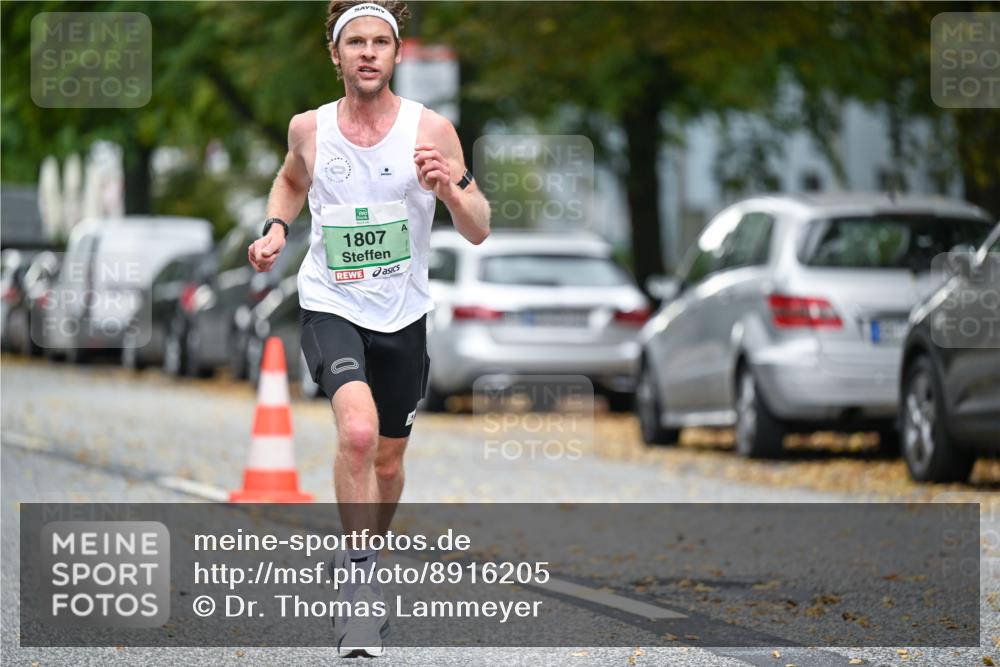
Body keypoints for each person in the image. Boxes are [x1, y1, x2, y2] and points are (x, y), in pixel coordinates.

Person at [247, 0, 490, 657]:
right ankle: (359, 594)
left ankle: (366, 555)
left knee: (387, 457)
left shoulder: (430, 129)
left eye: (380, 41)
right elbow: (290, 181)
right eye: (355, 41)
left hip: (403, 314)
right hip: (331, 302)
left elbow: (478, 225)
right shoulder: (309, 128)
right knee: (355, 430)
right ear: (336, 54)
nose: (368, 52)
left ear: (396, 52)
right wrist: (274, 228)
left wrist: (450, 191)